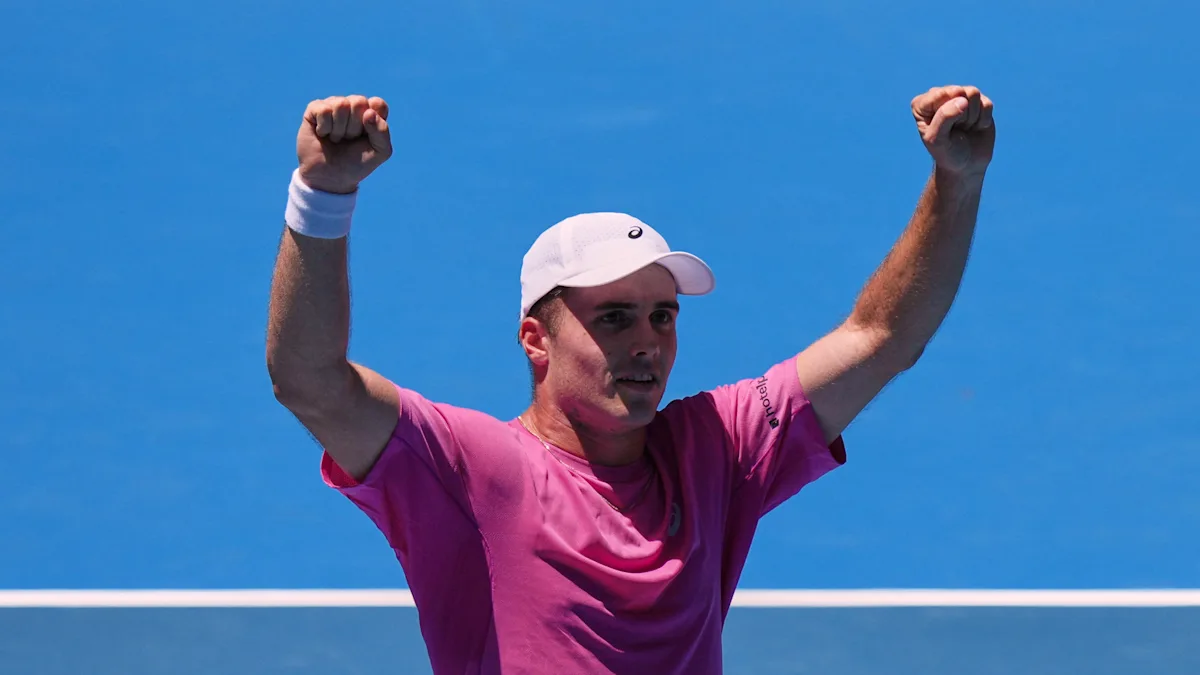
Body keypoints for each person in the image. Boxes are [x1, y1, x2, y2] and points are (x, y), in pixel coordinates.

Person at [266, 84, 995, 674]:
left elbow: (881, 337)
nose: (648, 341)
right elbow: (309, 380)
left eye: (663, 316)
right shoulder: (471, 470)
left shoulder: (717, 447)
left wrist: (955, 182)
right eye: (614, 318)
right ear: (536, 341)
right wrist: (323, 194)